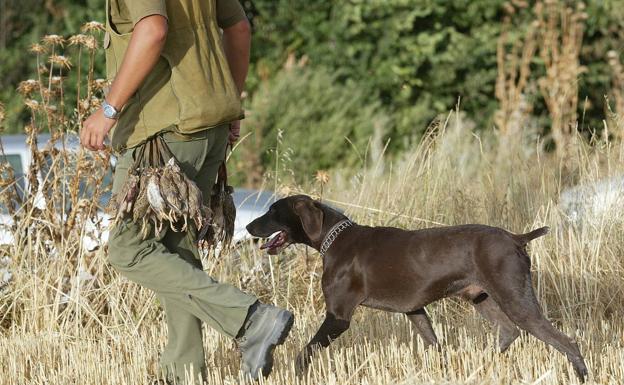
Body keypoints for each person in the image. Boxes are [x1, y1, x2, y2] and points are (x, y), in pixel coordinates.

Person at [79, 0, 294, 383]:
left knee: (130, 248)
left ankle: (250, 319)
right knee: (177, 249)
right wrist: (229, 103)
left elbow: (152, 30)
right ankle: (184, 371)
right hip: (207, 124)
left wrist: (108, 111)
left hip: (165, 133)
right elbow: (239, 28)